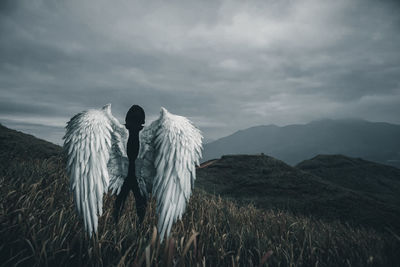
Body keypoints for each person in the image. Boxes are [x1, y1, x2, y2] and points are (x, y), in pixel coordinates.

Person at [114, 105, 147, 224]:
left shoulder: (122, 130)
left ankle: (116, 222)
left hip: (128, 172)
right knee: (140, 201)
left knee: (120, 200)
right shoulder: (143, 132)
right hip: (134, 172)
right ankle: (140, 226)